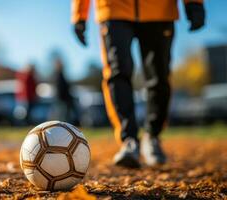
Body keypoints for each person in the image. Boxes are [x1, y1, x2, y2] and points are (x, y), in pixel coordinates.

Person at [71, 0, 205, 167]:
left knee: (159, 76)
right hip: (113, 9)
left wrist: (194, 3)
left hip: (159, 9)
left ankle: (152, 136)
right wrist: (79, 14)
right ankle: (129, 140)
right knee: (117, 73)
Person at [51, 57, 78, 125]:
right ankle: (62, 128)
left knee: (65, 115)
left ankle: (64, 127)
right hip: (62, 99)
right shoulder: (58, 75)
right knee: (62, 115)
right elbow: (60, 88)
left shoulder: (61, 74)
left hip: (64, 98)